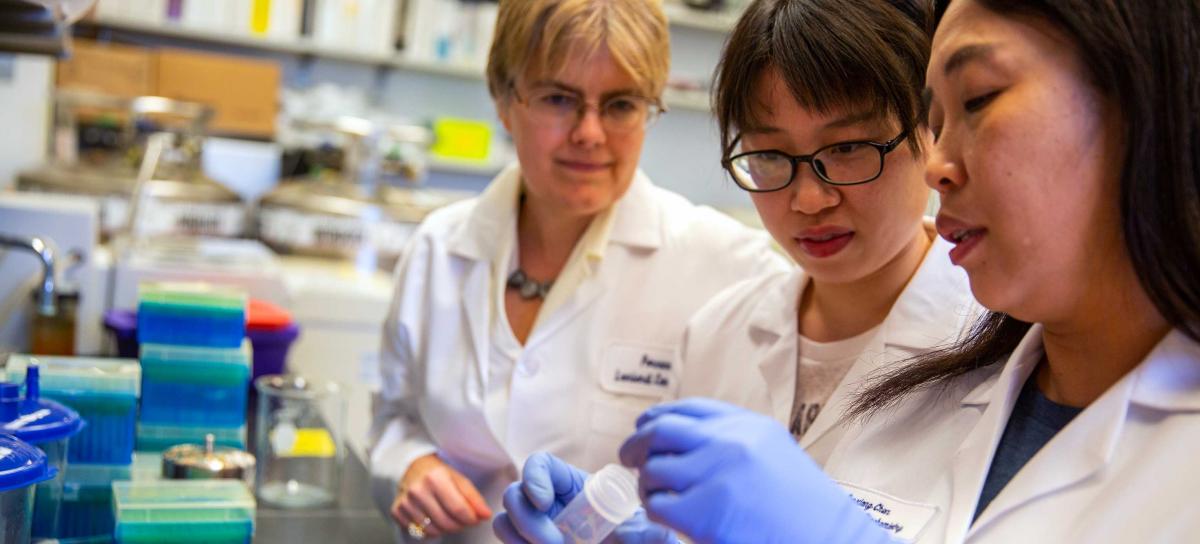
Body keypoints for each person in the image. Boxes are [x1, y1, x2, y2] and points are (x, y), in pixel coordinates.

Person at [613, 0, 1200, 543]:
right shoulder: (1021, 376)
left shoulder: (985, 355)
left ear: (1149, 93)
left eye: (976, 101)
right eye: (769, 156)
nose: (938, 164)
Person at [368, 0, 788, 541]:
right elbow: (392, 419)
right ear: (503, 99)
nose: (590, 133)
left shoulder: (730, 268)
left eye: (620, 105)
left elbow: (749, 494)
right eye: (559, 98)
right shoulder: (438, 248)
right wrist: (411, 466)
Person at [674, 0, 976, 466]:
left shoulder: (999, 343)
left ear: (931, 128)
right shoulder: (717, 333)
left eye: (849, 147)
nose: (811, 200)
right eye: (771, 155)